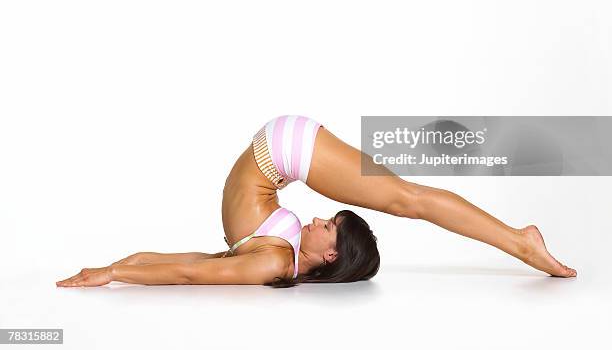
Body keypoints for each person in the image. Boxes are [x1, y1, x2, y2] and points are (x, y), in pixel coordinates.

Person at [56, 114, 576, 288]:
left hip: (283, 149)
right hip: (286, 150)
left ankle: (518, 241)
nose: (321, 218)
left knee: (405, 198)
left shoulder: (275, 260)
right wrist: (116, 273)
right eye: (330, 222)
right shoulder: (276, 257)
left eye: (330, 225)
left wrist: (114, 268)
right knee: (403, 198)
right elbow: (191, 273)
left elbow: (190, 269)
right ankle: (518, 242)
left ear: (328, 255)